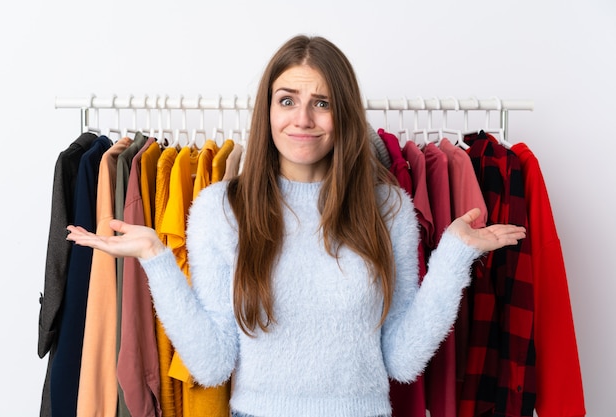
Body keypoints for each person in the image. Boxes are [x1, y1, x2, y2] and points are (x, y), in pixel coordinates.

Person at [67, 35, 526, 417]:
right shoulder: (220, 211)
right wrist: (156, 259)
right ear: (268, 111)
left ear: (343, 113)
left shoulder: (388, 210)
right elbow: (211, 365)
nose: (302, 119)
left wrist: (454, 256)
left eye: (321, 102)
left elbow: (402, 359)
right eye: (288, 100)